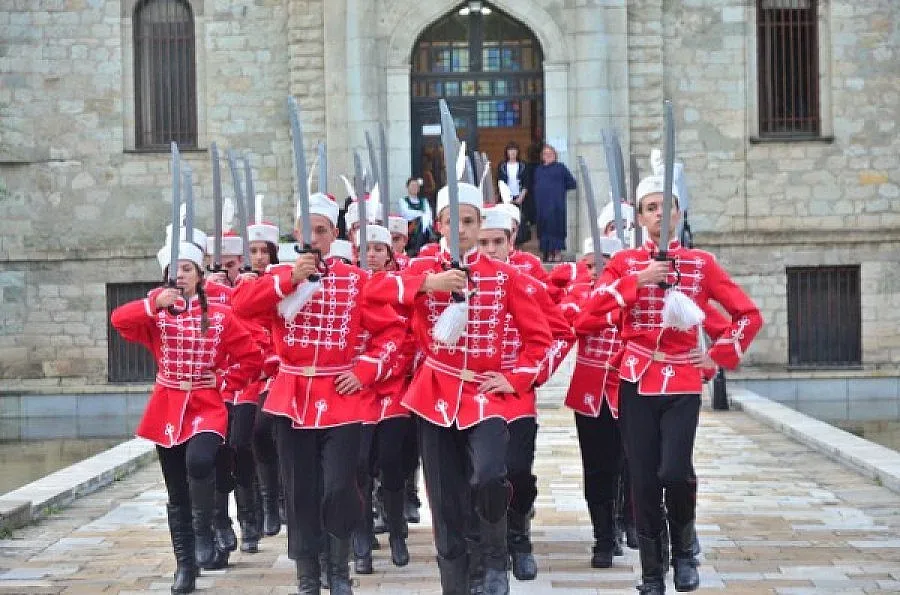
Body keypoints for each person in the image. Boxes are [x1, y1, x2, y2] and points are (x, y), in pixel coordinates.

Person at [577, 174, 762, 594]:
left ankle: (682, 553)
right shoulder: (624, 263)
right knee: (642, 479)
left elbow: (747, 315)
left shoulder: (701, 263)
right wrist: (637, 281)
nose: (660, 215)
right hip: (636, 380)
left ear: (679, 213)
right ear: (640, 217)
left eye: (667, 207)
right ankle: (651, 572)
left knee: (675, 472)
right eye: (651, 208)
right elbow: (587, 315)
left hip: (681, 379)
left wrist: (717, 355)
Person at [366, 182, 554, 594]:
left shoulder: (504, 277)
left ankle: (493, 559)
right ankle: (456, 582)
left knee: (489, 476)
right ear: (440, 225)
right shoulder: (420, 271)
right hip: (435, 395)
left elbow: (541, 339)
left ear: (480, 224)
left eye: (471, 222)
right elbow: (370, 292)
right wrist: (426, 285)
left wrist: (517, 376)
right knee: (445, 501)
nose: (463, 230)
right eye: (455, 222)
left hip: (486, 396)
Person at [231, 193, 405, 595]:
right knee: (301, 490)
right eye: (307, 230)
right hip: (292, 398)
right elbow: (240, 307)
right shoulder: (278, 278)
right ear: (296, 233)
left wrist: (365, 370)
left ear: (335, 235)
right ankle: (308, 575)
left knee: (339, 488)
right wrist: (287, 279)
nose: (314, 237)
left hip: (341, 398)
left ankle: (338, 568)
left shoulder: (355, 280)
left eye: (323, 231)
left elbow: (393, 333)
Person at [110, 241, 263, 594]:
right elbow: (119, 321)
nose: (179, 275)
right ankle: (185, 565)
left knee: (201, 460)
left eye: (187, 269)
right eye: (174, 270)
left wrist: (224, 379)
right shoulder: (157, 313)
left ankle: (207, 527)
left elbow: (252, 359)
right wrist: (151, 304)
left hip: (206, 404)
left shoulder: (221, 316)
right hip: (167, 405)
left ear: (199, 275)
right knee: (176, 490)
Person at [476, 207, 575, 583]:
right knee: (482, 475)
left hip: (515, 392)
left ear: (510, 241)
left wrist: (528, 376)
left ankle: (519, 537)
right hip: (470, 393)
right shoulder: (461, 280)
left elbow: (561, 333)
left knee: (517, 470)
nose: (490, 249)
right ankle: (490, 551)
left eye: (497, 241)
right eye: (483, 242)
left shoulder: (526, 281)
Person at [350, 224, 417, 574]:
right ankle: (360, 536)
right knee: (358, 464)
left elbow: (407, 338)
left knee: (392, 460)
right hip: (354, 390)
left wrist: (383, 366)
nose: (372, 255)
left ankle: (397, 531)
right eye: (366, 249)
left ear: (390, 254)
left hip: (392, 386)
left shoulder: (400, 289)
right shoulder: (346, 288)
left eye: (379, 248)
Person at [532, 144, 576, 262]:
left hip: (556, 205)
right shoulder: (538, 170)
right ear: (542, 156)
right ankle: (547, 254)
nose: (548, 156)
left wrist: (559, 190)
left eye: (550, 153)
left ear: (555, 155)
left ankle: (556, 253)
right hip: (542, 205)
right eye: (545, 154)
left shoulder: (560, 168)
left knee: (555, 228)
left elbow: (572, 183)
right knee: (544, 228)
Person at [496, 142, 531, 245]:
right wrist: (504, 197)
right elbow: (499, 182)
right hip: (506, 198)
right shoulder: (502, 166)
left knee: (520, 220)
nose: (512, 153)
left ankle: (519, 242)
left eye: (514, 150)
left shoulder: (523, 165)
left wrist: (521, 196)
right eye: (510, 150)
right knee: (507, 220)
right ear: (507, 152)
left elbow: (527, 182)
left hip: (520, 197)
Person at [399, 177, 433, 254]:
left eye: (416, 186)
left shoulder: (424, 201)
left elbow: (429, 214)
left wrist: (422, 216)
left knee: (423, 220)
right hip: (410, 228)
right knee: (421, 219)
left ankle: (419, 245)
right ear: (407, 187)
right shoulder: (403, 201)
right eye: (412, 186)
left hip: (423, 227)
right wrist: (421, 214)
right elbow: (406, 213)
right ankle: (426, 239)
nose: (414, 188)